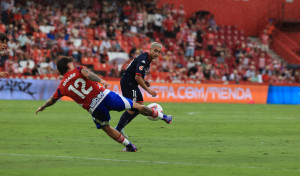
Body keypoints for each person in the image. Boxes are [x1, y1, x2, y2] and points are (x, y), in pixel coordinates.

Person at [35, 57, 172, 152]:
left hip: (94, 108)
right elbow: (89, 75)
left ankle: (130, 146)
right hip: (106, 96)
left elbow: (52, 100)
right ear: (68, 66)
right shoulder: (78, 69)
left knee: (106, 127)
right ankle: (163, 116)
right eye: (72, 63)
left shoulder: (62, 87)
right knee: (136, 106)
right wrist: (101, 80)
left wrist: (43, 106)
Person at [115, 42, 164, 138]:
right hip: (128, 83)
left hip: (131, 83)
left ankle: (120, 128)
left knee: (140, 107)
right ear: (150, 49)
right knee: (134, 108)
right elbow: (137, 77)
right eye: (155, 51)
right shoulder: (144, 59)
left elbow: (138, 75)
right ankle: (117, 129)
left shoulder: (147, 59)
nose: (157, 53)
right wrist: (148, 90)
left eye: (159, 52)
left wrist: (144, 82)